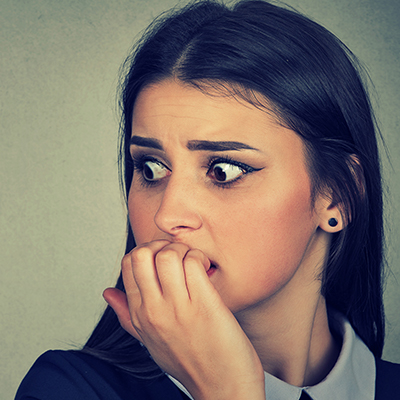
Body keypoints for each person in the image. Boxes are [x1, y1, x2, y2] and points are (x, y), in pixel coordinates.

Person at [15, 0, 400, 399]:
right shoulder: (68, 390)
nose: (167, 215)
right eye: (150, 168)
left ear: (338, 195)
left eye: (223, 171)